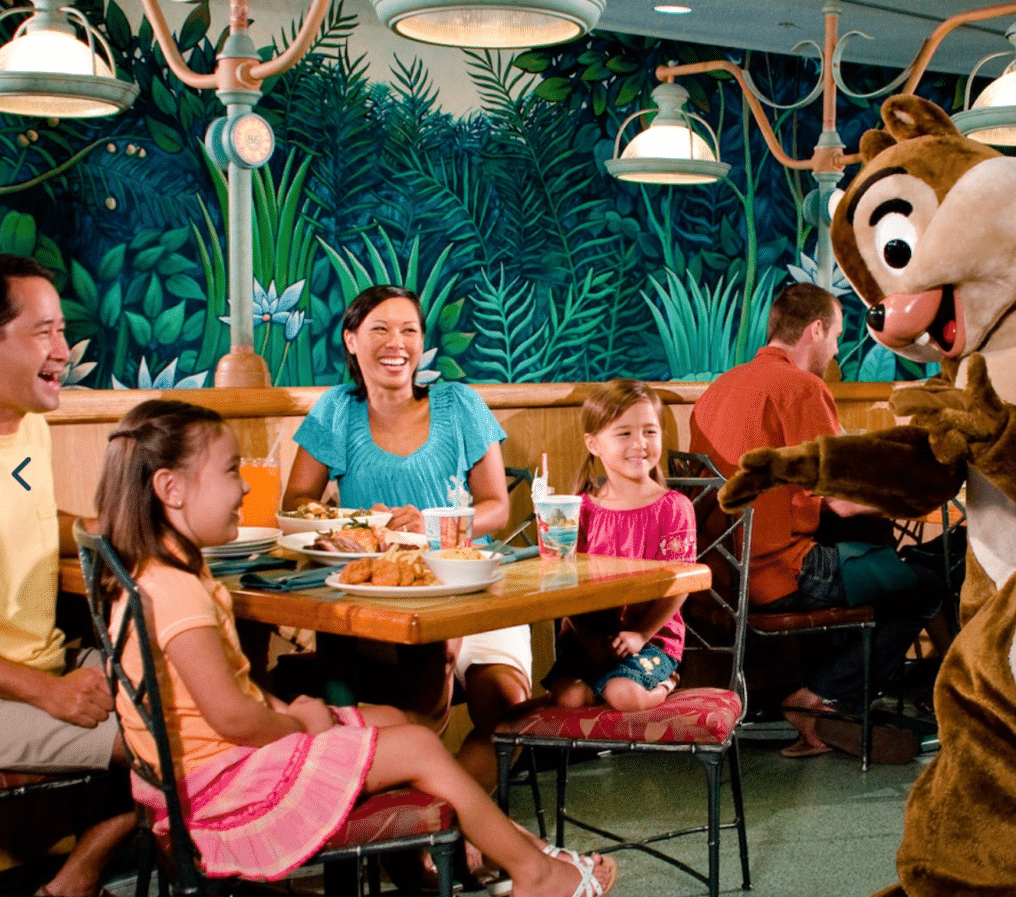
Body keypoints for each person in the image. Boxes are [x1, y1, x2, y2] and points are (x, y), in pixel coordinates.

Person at [93, 398, 616, 897]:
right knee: (419, 747)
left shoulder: (166, 572)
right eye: (231, 471)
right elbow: (231, 717)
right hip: (220, 789)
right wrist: (300, 725)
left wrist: (286, 710)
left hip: (208, 771)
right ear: (170, 488)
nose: (244, 490)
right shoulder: (177, 590)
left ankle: (512, 852)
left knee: (401, 721)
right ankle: (532, 871)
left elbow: (228, 691)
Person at [282, 285, 530, 794]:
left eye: (409, 330)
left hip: (472, 582)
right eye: (379, 329)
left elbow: (497, 507)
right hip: (388, 600)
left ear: (421, 343)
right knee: (419, 701)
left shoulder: (460, 403)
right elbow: (295, 504)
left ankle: (452, 830)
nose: (396, 342)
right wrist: (359, 522)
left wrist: (433, 525)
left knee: (507, 712)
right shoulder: (336, 411)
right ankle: (437, 840)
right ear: (351, 340)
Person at [690, 281, 943, 761]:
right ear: (815, 329)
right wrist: (913, 488)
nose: (835, 348)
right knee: (924, 582)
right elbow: (844, 500)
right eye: (835, 336)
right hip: (783, 572)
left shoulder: (719, 389)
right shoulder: (802, 387)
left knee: (879, 559)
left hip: (725, 576)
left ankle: (835, 694)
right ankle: (825, 699)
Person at [0, 254, 136, 897]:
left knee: (192, 684)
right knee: (169, 737)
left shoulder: (28, 428)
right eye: (44, 331)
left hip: (47, 668)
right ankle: (75, 882)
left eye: (62, 329)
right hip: (14, 692)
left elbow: (29, 514)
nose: (63, 348)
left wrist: (98, 528)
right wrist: (43, 692)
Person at [543, 379, 694, 712]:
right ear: (593, 444)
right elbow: (564, 582)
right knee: (568, 698)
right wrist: (589, 639)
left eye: (650, 432)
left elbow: (681, 584)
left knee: (623, 695)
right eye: (624, 433)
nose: (639, 443)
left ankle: (667, 681)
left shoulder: (673, 506)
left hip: (652, 637)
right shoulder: (579, 509)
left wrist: (640, 634)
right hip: (587, 636)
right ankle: (604, 684)